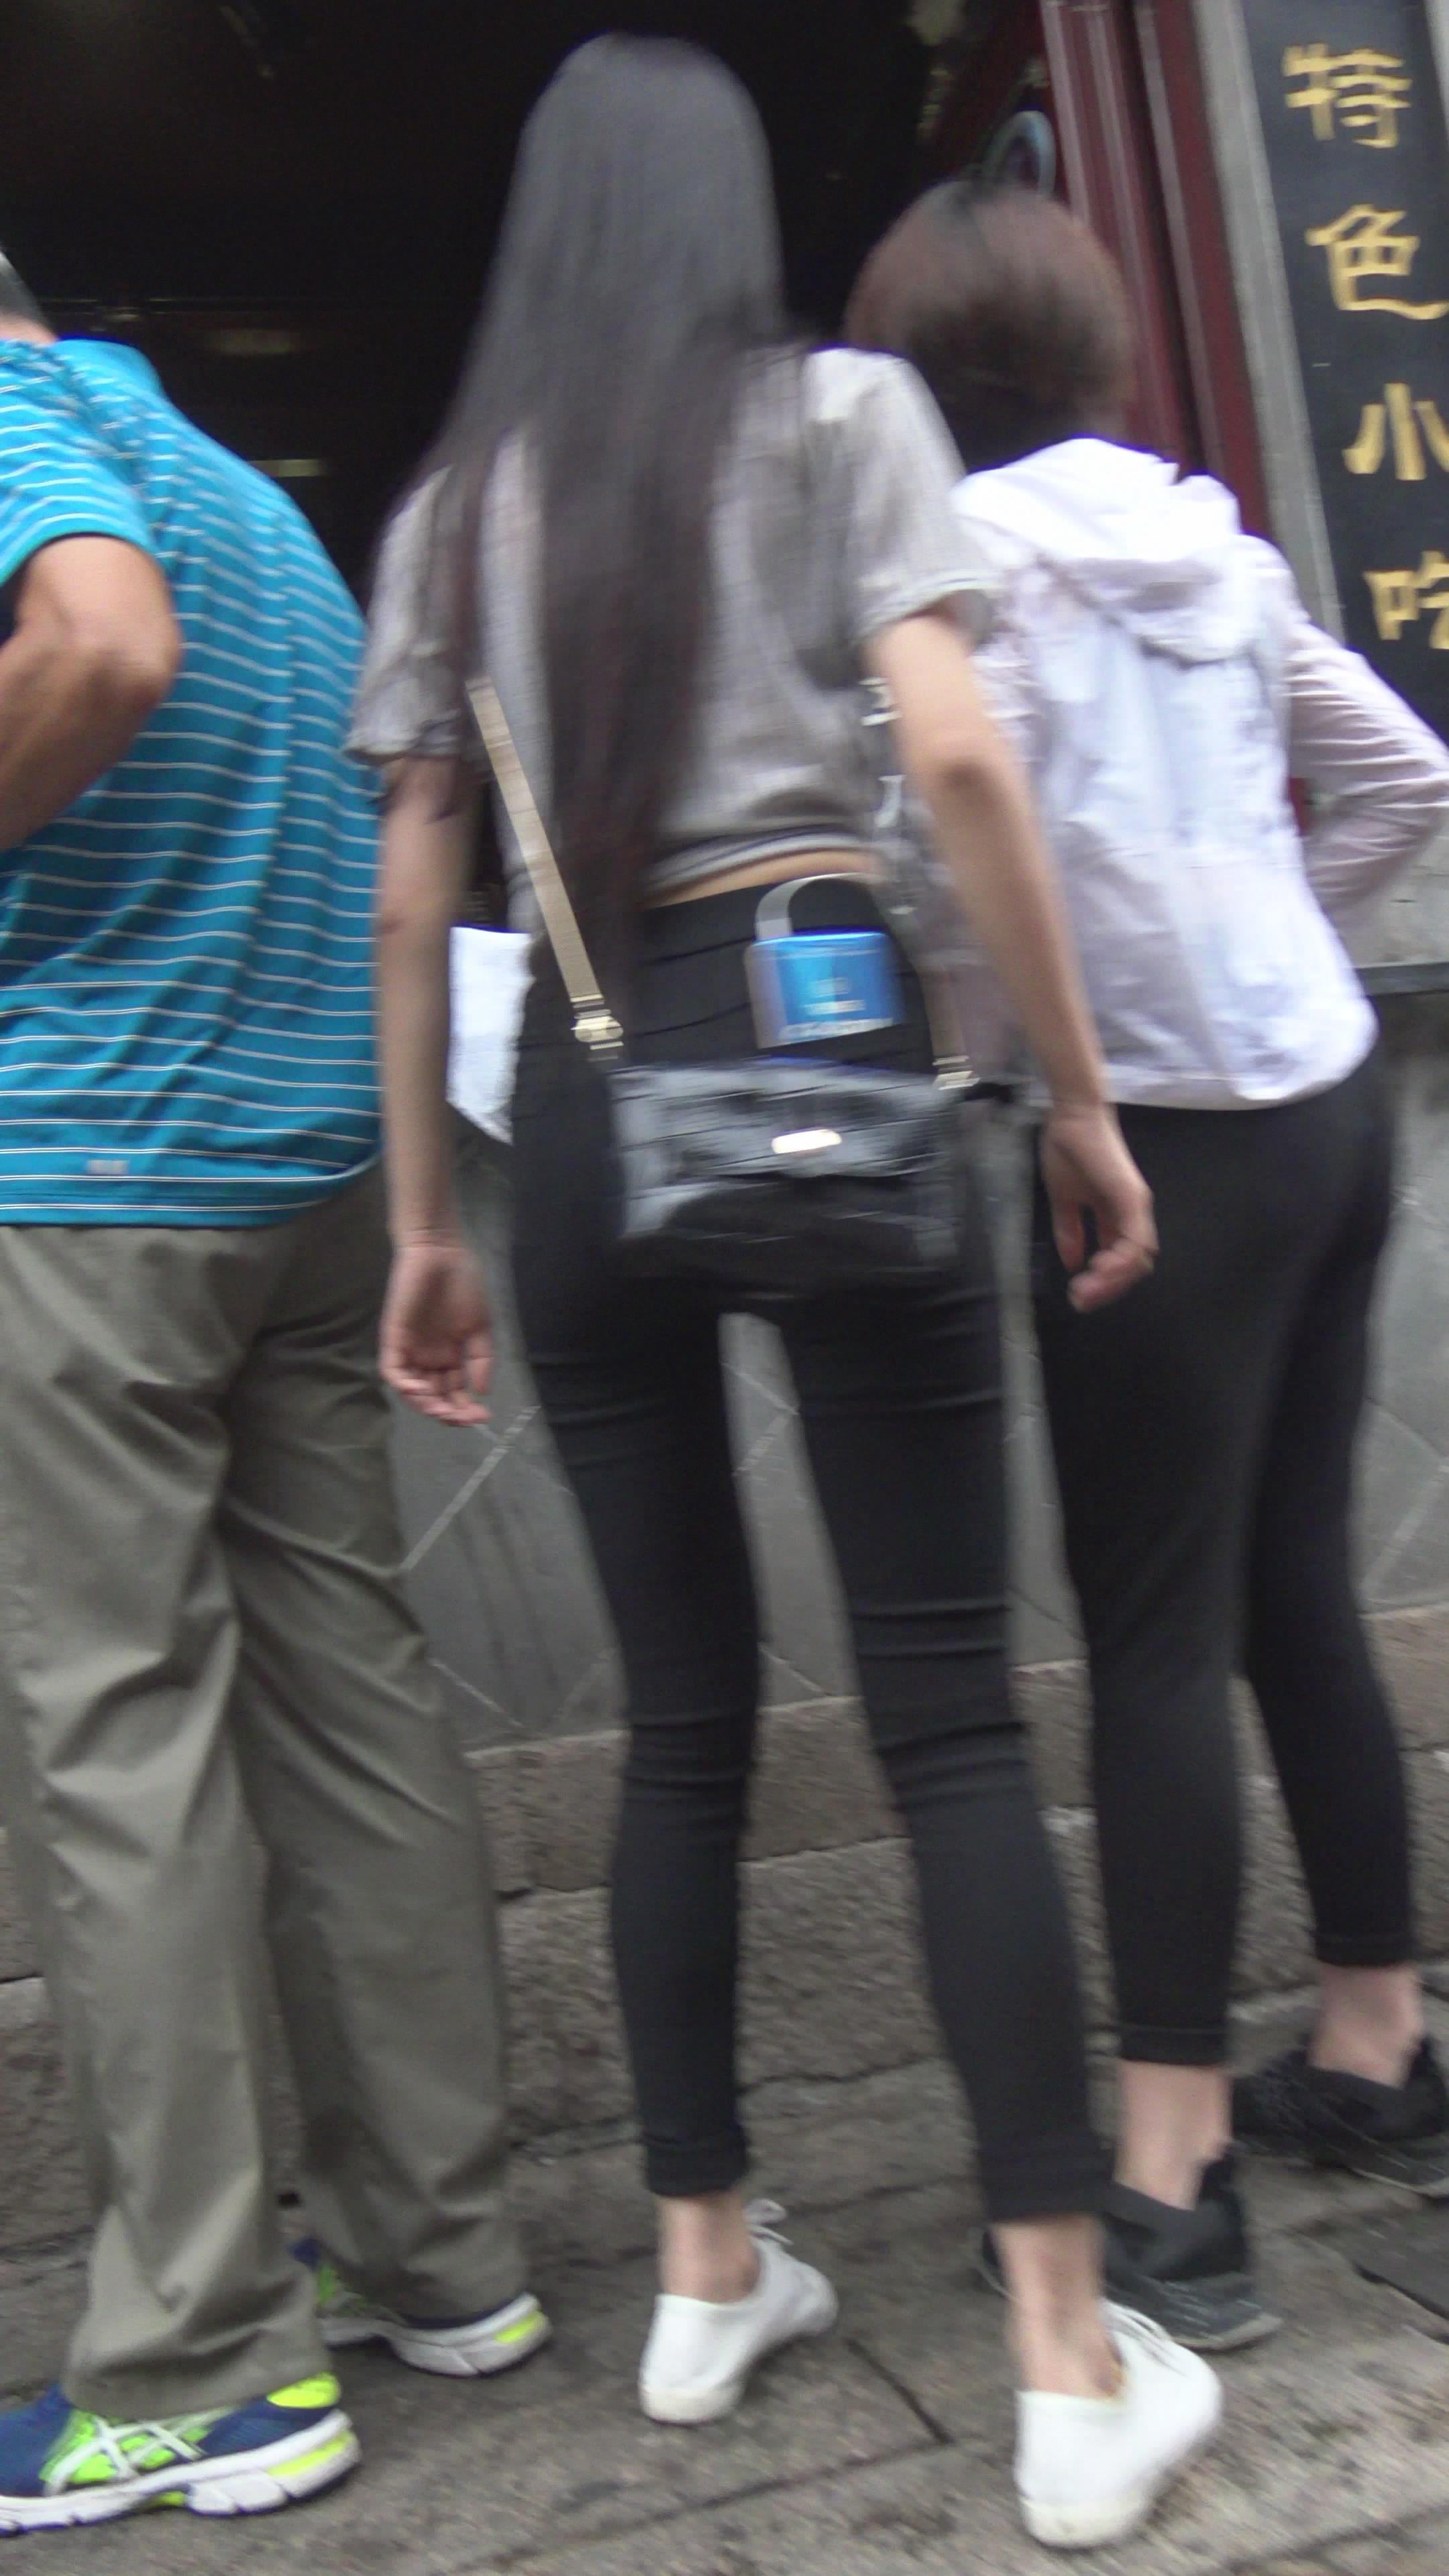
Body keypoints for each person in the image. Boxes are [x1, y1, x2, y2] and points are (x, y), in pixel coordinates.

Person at [356, 37, 1223, 2552]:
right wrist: (1076, 1094)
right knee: (947, 1720)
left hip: (590, 1088)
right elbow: (954, 757)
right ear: (732, 217)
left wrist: (428, 1225)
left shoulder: (456, 508)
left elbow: (413, 893)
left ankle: (705, 2275)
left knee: (683, 1728)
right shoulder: (847, 416)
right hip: (834, 1056)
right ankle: (1067, 2362)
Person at [849, 182, 1449, 2351]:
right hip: (1328, 1099)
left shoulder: (951, 580)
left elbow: (940, 855)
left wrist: (1038, 1025)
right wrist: (1271, 916)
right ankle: (1377, 2039)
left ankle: (1178, 2180)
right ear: (1098, 349)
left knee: (1156, 1642)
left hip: (1153, 1150)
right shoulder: (1223, 549)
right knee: (1294, 1587)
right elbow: (1406, 776)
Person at [0, 250, 548, 2540]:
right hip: (312, 1179)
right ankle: (449, 2254)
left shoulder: (33, 454)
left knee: (122, 1740)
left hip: (89, 1187)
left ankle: (209, 2365)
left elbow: (99, 645)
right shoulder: (235, 483)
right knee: (350, 1699)